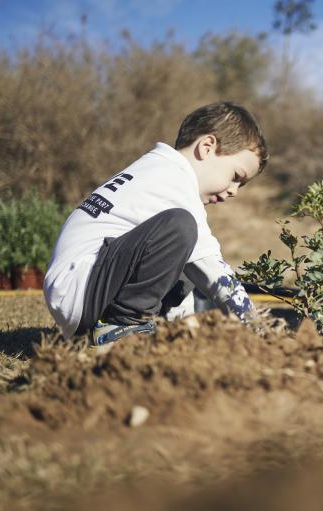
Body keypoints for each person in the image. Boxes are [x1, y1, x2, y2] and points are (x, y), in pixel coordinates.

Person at [44, 101, 267, 346]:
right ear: (206, 147)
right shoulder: (173, 180)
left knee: (186, 247)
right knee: (182, 227)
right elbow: (214, 272)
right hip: (84, 289)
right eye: (236, 177)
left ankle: (136, 327)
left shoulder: (157, 169)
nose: (234, 191)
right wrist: (257, 326)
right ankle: (121, 327)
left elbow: (189, 269)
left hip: (81, 289)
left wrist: (183, 329)